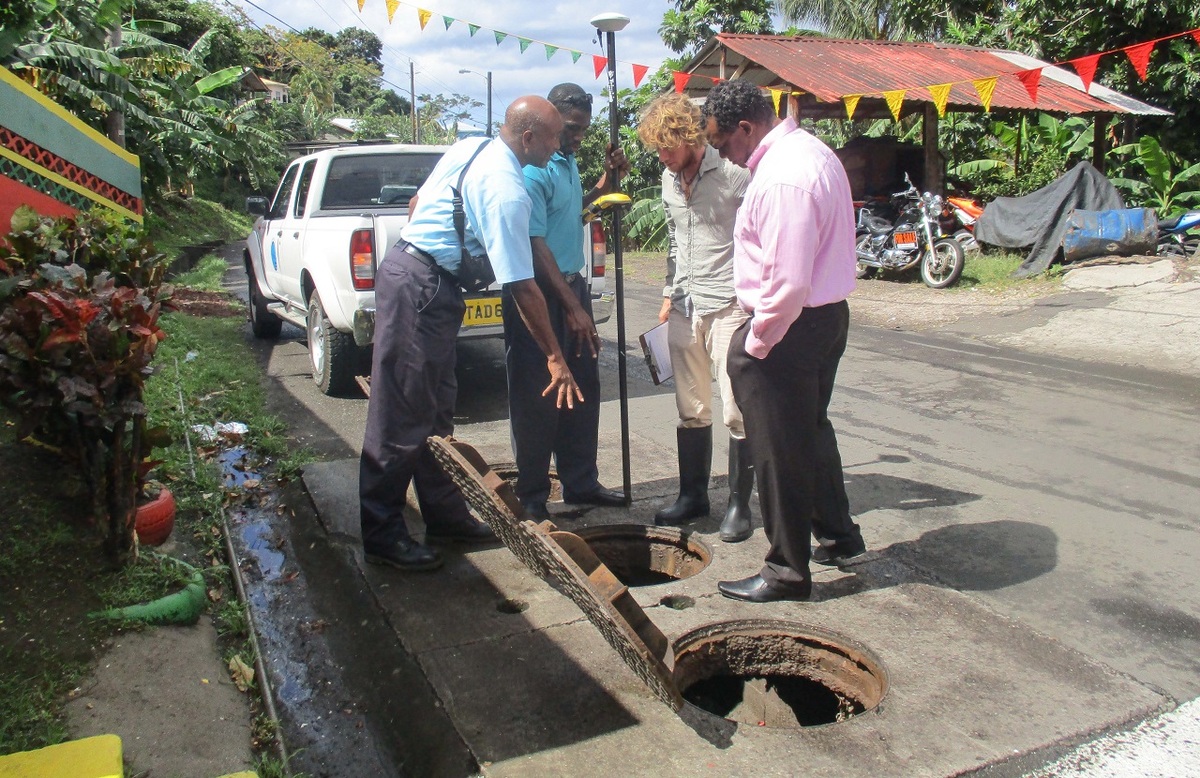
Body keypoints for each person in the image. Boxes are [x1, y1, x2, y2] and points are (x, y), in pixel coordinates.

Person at [360, 96, 583, 572]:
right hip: (420, 284)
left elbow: (418, 202)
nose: (557, 147)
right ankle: (382, 534)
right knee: (400, 413)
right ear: (528, 138)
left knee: (436, 410)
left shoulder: (470, 147)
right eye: (553, 138)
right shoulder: (507, 190)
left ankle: (444, 516)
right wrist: (555, 357)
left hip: (427, 282)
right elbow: (523, 287)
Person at [701, 79, 866, 603]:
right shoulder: (811, 151)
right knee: (810, 431)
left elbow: (789, 283)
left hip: (788, 325)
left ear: (746, 128)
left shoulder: (782, 179)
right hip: (824, 317)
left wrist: (757, 342)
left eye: (724, 142)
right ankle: (839, 535)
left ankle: (786, 572)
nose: (723, 155)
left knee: (777, 449)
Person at [503, 83, 628, 520]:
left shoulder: (568, 162)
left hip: (573, 289)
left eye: (582, 130)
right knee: (539, 395)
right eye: (570, 129)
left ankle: (580, 483)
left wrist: (607, 183)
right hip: (539, 294)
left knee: (585, 386)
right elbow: (536, 243)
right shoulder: (535, 169)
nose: (576, 138)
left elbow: (570, 213)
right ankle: (533, 497)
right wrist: (572, 307)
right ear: (550, 122)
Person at [634, 93, 755, 542]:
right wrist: (668, 293)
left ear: (689, 137)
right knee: (691, 408)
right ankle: (693, 497)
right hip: (685, 305)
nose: (663, 157)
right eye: (657, 149)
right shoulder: (668, 180)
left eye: (668, 146)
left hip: (729, 305)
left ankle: (740, 505)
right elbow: (674, 242)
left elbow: (764, 231)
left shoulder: (733, 173)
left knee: (737, 412)